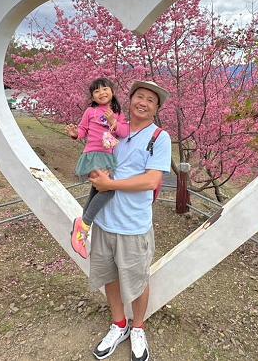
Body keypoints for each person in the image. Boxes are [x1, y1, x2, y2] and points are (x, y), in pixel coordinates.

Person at [87, 80, 171, 361]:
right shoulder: (115, 128)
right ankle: (119, 324)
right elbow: (97, 153)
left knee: (137, 279)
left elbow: (152, 180)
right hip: (104, 221)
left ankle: (138, 327)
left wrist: (111, 185)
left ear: (156, 108)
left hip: (134, 224)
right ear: (130, 99)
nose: (143, 102)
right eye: (139, 96)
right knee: (110, 276)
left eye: (151, 100)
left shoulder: (159, 137)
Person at [66, 78, 130, 259]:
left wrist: (114, 122)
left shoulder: (117, 112)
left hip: (109, 157)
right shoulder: (90, 111)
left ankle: (81, 231)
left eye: (105, 89)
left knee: (98, 188)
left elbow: (124, 133)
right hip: (93, 154)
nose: (101, 93)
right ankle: (84, 225)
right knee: (108, 190)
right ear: (92, 97)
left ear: (112, 91)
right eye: (96, 91)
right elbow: (82, 130)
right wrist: (74, 134)